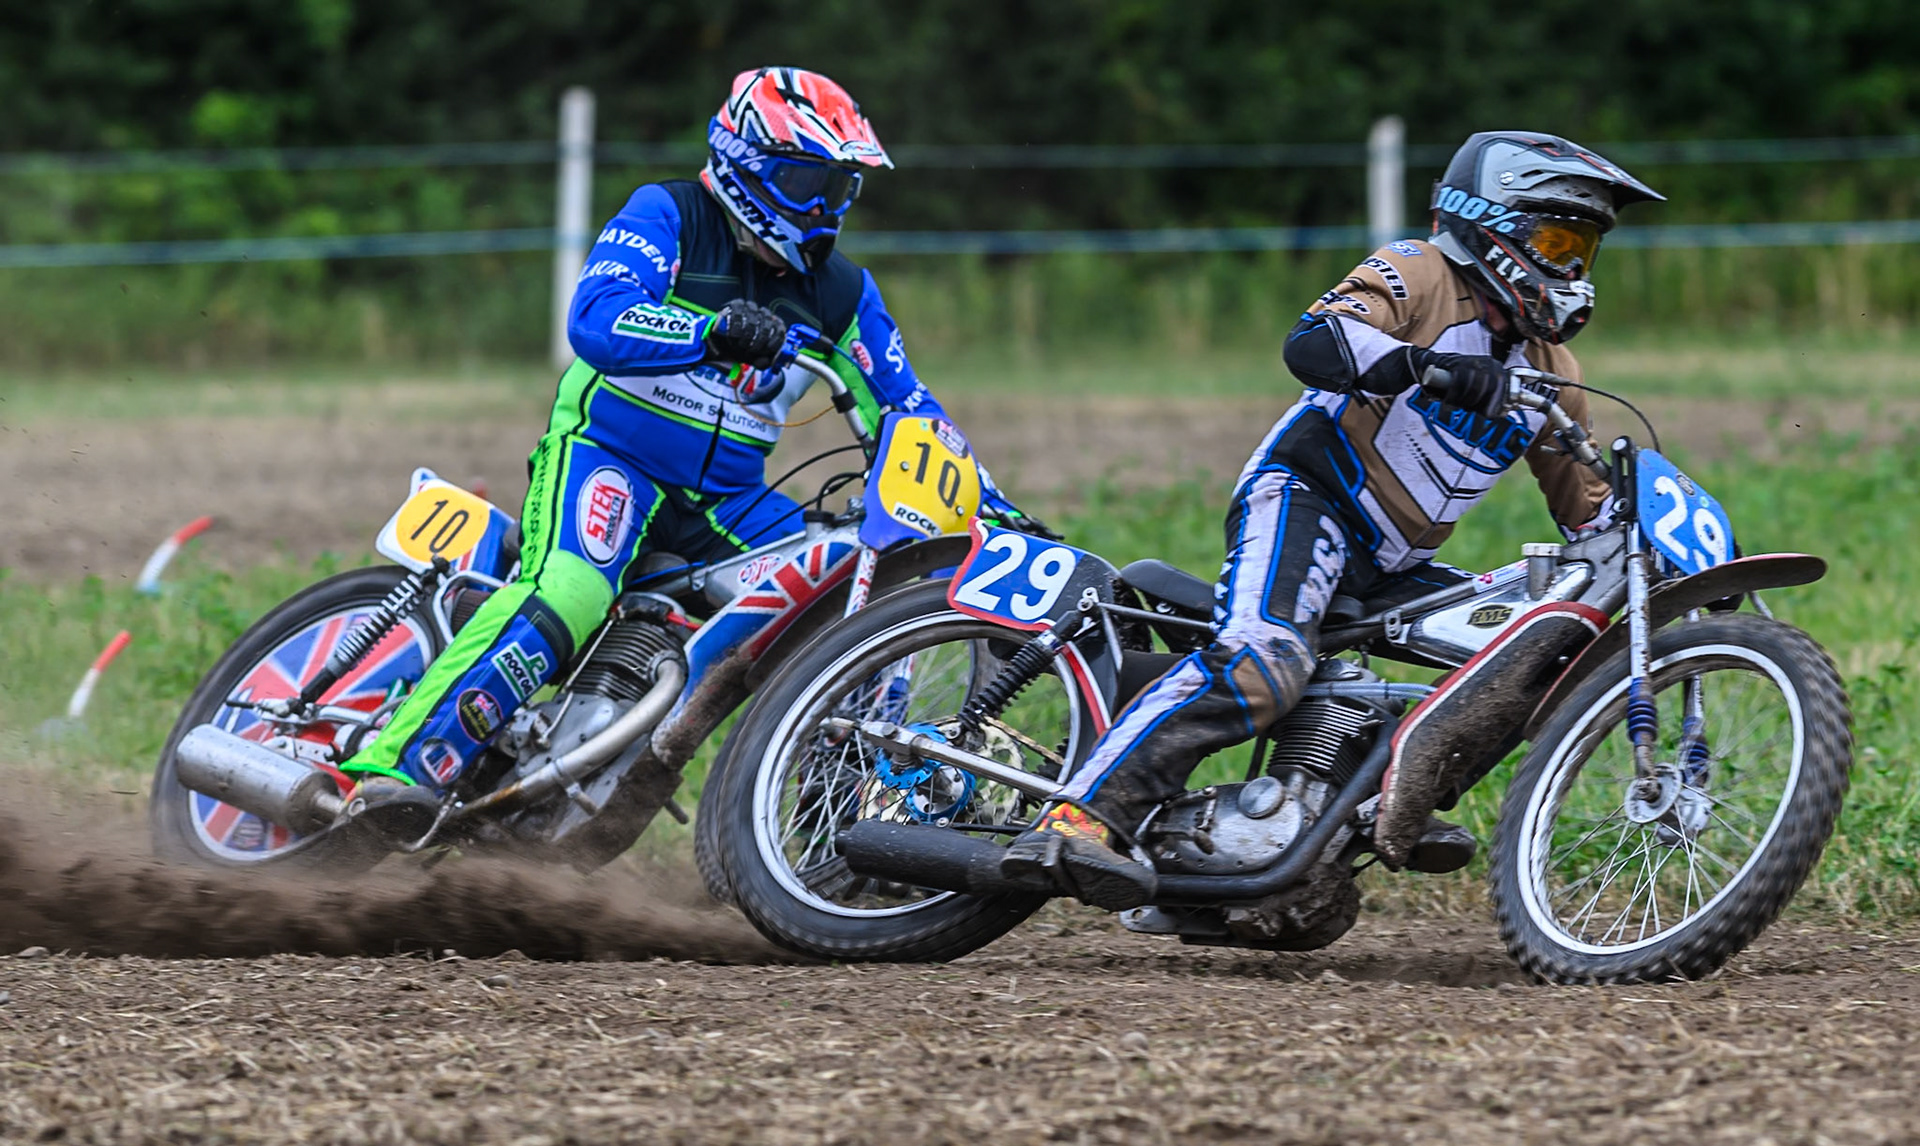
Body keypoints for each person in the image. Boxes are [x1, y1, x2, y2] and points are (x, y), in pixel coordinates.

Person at [337, 66, 1025, 837]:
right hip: (608, 455)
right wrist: (708, 330)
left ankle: (844, 815)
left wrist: (995, 510)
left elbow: (909, 409)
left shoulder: (843, 293)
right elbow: (597, 318)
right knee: (568, 590)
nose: (826, 210)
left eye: (841, 189)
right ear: (746, 165)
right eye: (808, 182)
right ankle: (393, 774)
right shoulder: (668, 213)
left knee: (845, 588)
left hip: (727, 502)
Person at [1002, 130, 1664, 909]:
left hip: (1393, 564)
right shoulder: (1421, 272)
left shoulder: (1554, 373)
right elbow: (1314, 341)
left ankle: (1370, 803)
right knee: (1265, 658)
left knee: (1530, 648)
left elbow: (1586, 511)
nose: (1573, 268)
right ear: (1492, 225)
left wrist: (1661, 549)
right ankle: (1083, 814)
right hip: (1307, 500)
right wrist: (1427, 366)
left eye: (1583, 250)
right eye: (1556, 241)